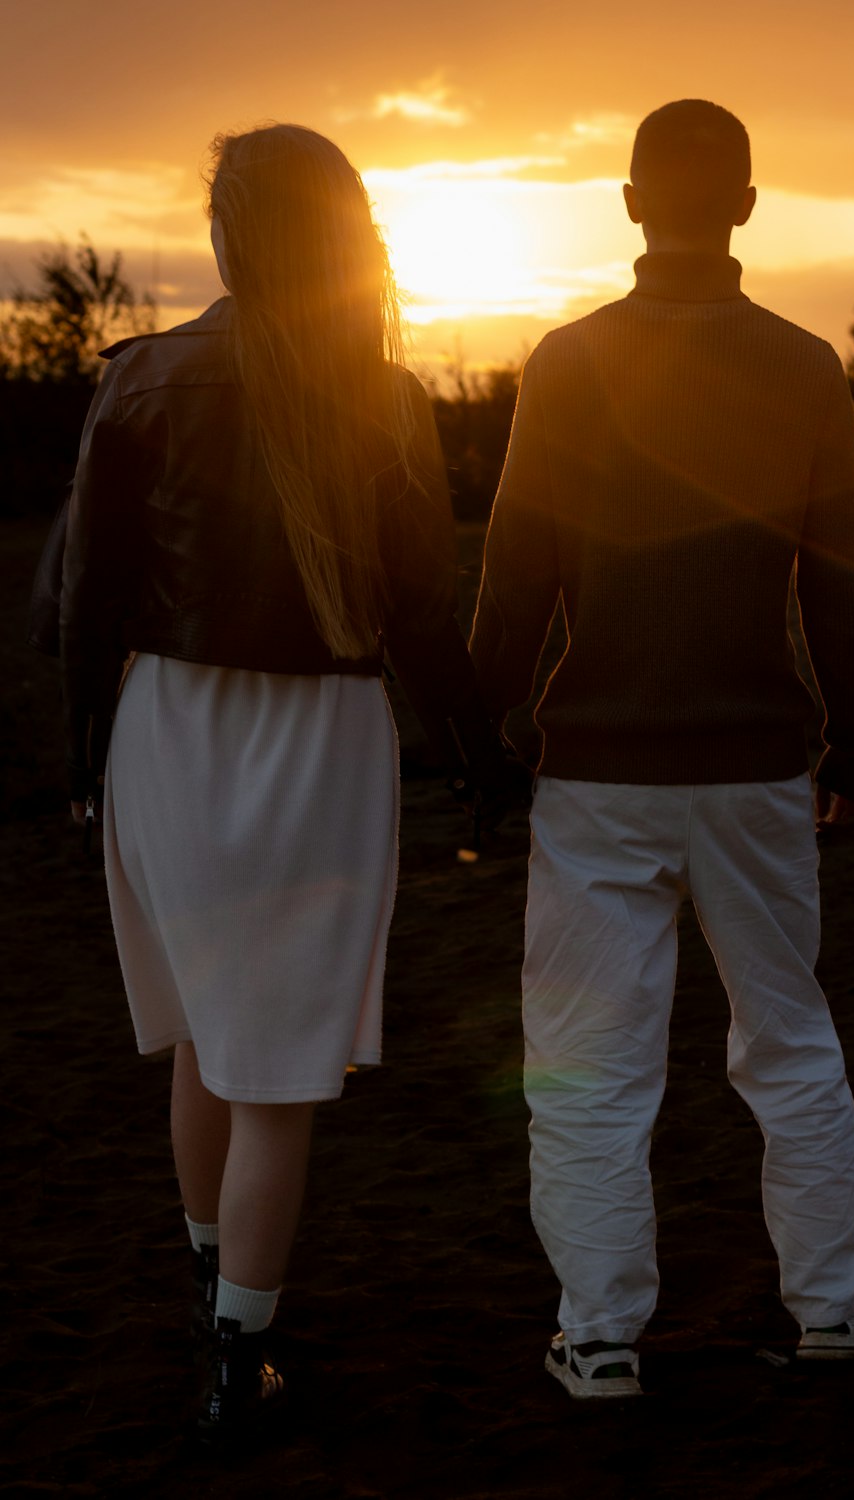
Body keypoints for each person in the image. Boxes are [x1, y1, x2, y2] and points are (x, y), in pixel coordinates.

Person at [59, 123, 514, 1439]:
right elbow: (426, 617)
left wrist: (84, 770)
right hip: (321, 747)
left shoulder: (140, 381)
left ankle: (220, 1299)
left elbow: (91, 603)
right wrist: (482, 767)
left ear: (226, 237)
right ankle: (236, 1356)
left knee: (210, 1039)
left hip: (168, 731)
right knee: (274, 1077)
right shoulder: (385, 400)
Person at [470, 99, 854, 1398]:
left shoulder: (566, 362)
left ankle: (599, 1340)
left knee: (590, 1067)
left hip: (597, 771)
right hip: (759, 764)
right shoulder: (807, 366)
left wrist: (485, 742)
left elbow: (515, 574)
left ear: (633, 203)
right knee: (791, 1043)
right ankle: (831, 1312)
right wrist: (853, 741)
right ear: (747, 208)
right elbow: (844, 582)